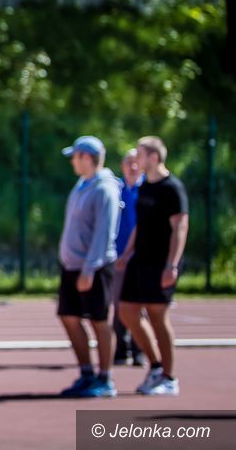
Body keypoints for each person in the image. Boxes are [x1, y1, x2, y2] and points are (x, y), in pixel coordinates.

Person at [117, 135, 189, 396]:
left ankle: (169, 377)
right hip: (140, 261)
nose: (136, 158)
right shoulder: (145, 186)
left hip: (161, 262)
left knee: (158, 316)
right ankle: (156, 365)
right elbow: (140, 224)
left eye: (141, 154)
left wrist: (172, 264)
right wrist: (127, 254)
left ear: (154, 157)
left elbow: (180, 226)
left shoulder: (172, 188)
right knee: (127, 311)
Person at [55, 135, 120, 399]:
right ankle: (86, 373)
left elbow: (103, 233)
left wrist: (90, 268)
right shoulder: (82, 185)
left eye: (75, 156)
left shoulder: (105, 189)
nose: (72, 161)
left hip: (93, 267)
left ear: (86, 157)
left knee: (99, 321)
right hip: (72, 266)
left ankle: (105, 379)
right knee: (69, 317)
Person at [113, 148, 144, 365]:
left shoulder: (148, 190)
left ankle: (139, 348)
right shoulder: (116, 190)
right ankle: (121, 349)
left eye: (136, 163)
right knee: (117, 304)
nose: (132, 167)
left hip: (141, 257)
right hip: (117, 256)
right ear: (122, 166)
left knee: (139, 306)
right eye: (128, 163)